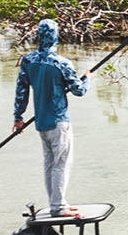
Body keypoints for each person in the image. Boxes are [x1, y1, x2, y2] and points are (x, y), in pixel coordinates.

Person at [12, 18, 87, 214]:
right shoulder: (61, 63)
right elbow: (78, 90)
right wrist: (87, 79)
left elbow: (22, 91)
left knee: (49, 162)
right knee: (61, 163)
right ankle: (59, 206)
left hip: (41, 123)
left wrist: (18, 118)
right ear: (55, 36)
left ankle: (56, 202)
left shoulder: (28, 61)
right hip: (59, 121)